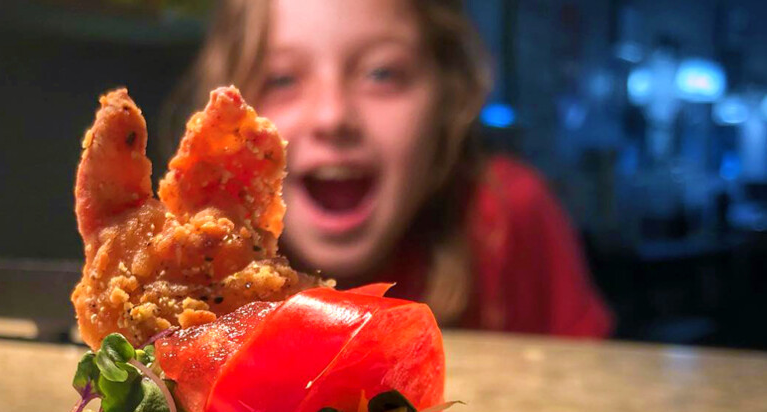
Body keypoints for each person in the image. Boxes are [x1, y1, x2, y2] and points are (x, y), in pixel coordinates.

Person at [173, 0, 614, 337]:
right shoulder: (185, 257)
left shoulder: (508, 215)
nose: (333, 116)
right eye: (282, 79)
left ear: (448, 98)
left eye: (382, 74)